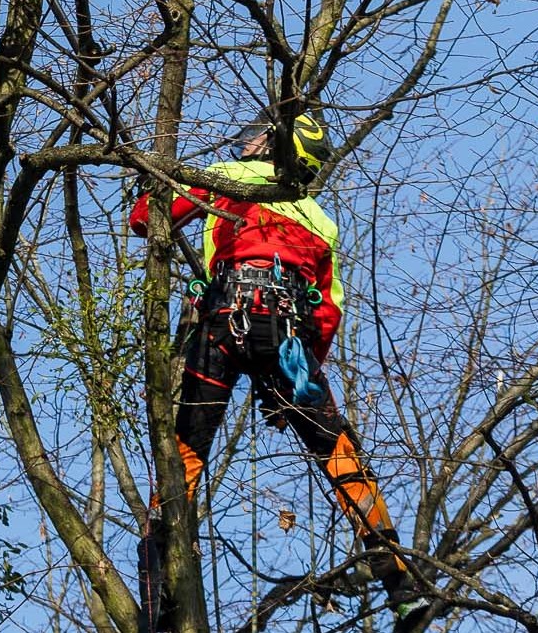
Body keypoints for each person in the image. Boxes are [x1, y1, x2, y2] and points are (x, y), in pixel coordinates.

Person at [130, 112, 430, 633]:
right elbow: (328, 311)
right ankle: (400, 585)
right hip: (290, 339)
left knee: (185, 453)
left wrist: (152, 184)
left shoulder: (230, 179)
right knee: (338, 454)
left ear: (272, 146)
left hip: (224, 321)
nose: (245, 144)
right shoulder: (321, 219)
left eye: (255, 137)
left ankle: (160, 606)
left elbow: (145, 219)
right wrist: (298, 377)